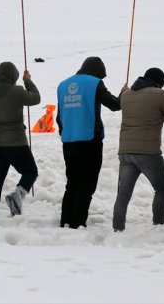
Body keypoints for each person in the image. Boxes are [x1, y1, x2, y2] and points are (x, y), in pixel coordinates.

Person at [56, 56, 122, 228]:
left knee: (72, 183)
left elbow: (59, 117)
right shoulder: (95, 83)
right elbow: (114, 104)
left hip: (68, 142)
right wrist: (124, 94)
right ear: (98, 72)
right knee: (86, 183)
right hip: (90, 141)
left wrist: (65, 132)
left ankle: (66, 220)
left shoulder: (63, 85)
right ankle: (77, 223)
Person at [112, 68, 164, 231]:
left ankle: (117, 228)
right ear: (158, 83)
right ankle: (158, 224)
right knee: (161, 188)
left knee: (123, 194)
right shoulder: (159, 94)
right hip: (148, 152)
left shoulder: (126, 95)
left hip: (125, 151)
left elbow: (143, 113)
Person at [0, 62, 40, 217]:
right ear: (13, 76)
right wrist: (27, 81)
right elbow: (36, 98)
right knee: (30, 171)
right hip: (15, 141)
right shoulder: (17, 91)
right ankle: (17, 196)